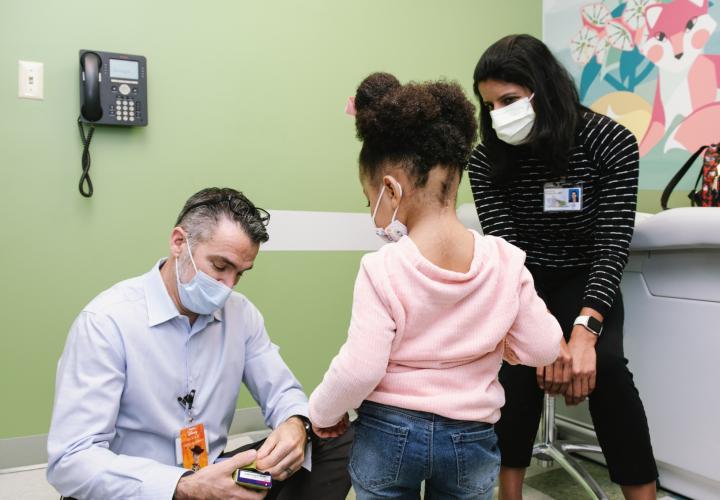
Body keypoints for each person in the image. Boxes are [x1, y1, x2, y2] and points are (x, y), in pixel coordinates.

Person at [308, 72, 563, 499]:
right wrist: (500, 343)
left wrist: (320, 412)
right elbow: (544, 347)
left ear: (390, 189)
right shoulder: (505, 260)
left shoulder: (382, 268)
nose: (371, 210)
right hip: (471, 436)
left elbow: (360, 368)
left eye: (368, 199)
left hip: (389, 433)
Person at [46, 187, 352, 500]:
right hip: (142, 489)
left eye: (240, 273)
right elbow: (71, 460)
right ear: (179, 243)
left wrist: (294, 424)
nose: (228, 286)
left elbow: (282, 390)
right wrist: (183, 486)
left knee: (333, 437)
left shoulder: (241, 314)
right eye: (220, 266)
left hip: (211, 474)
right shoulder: (106, 322)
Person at [468, 34, 658, 500]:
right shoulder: (485, 159)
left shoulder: (609, 141)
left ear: (543, 89)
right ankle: (507, 493)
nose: (498, 114)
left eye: (509, 100)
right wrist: (541, 338)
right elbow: (507, 250)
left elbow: (612, 244)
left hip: (586, 276)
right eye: (489, 104)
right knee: (511, 369)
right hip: (522, 281)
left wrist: (583, 331)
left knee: (607, 368)